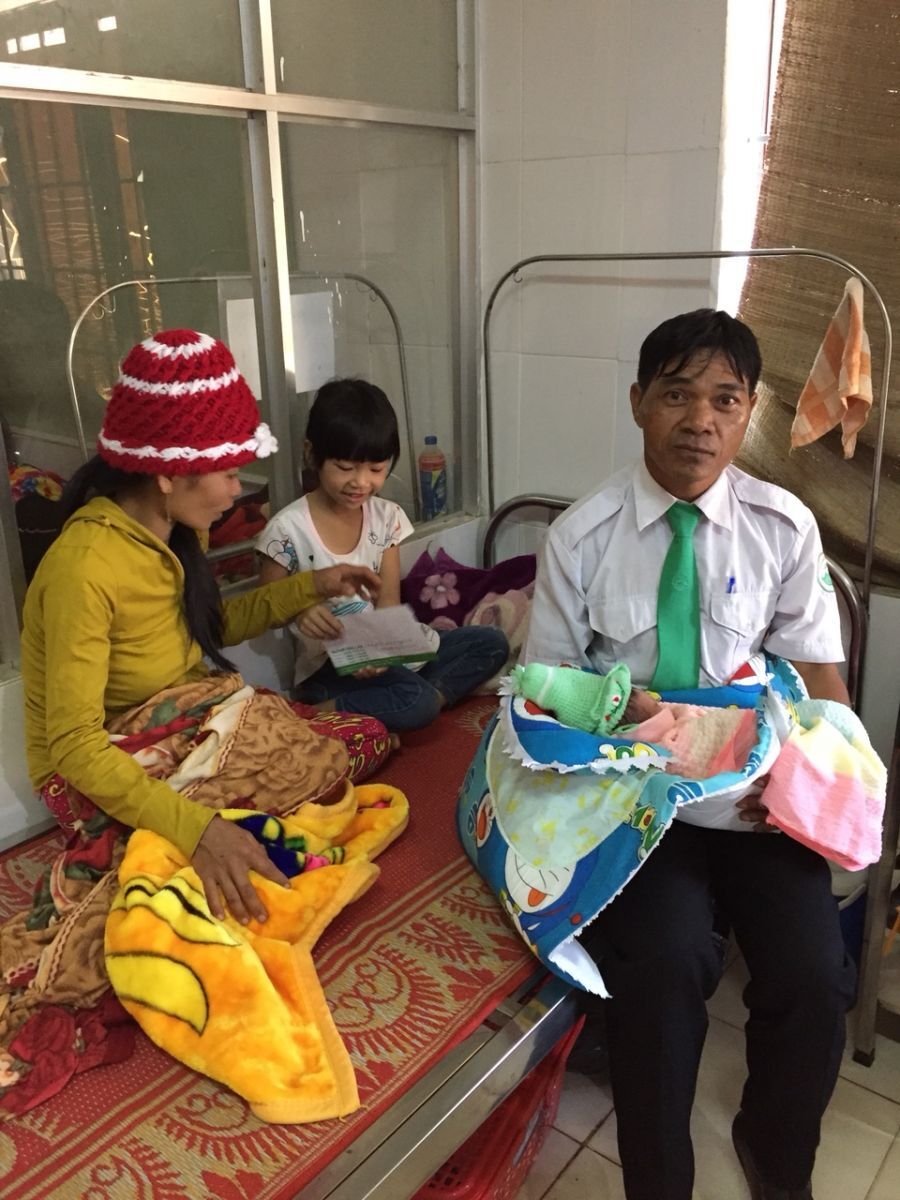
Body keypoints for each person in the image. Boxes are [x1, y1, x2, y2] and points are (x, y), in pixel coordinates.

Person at [523, 309, 856, 1200]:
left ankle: (775, 1156)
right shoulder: (580, 537)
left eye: (724, 400)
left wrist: (804, 781)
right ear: (639, 402)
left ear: (749, 413)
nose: (699, 421)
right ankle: (659, 1183)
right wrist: (612, 722)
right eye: (677, 395)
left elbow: (822, 677)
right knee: (664, 970)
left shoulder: (782, 525)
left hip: (753, 800)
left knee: (815, 975)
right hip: (639, 805)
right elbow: (544, 692)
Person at [20, 329, 385, 926]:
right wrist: (197, 830)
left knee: (358, 741)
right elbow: (74, 745)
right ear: (169, 474)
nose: (237, 492)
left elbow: (209, 626)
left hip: (188, 717)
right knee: (244, 834)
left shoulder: (177, 531)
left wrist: (315, 585)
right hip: (111, 754)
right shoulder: (84, 567)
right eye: (230, 473)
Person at [256, 378, 508, 732]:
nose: (361, 482)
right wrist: (302, 610)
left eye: (376, 469)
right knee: (413, 699)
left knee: (491, 643)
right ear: (312, 454)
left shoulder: (387, 519)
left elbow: (388, 603)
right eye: (345, 468)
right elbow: (264, 608)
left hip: (384, 656)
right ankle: (321, 713)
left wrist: (382, 652)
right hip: (329, 670)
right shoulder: (287, 530)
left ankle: (410, 701)